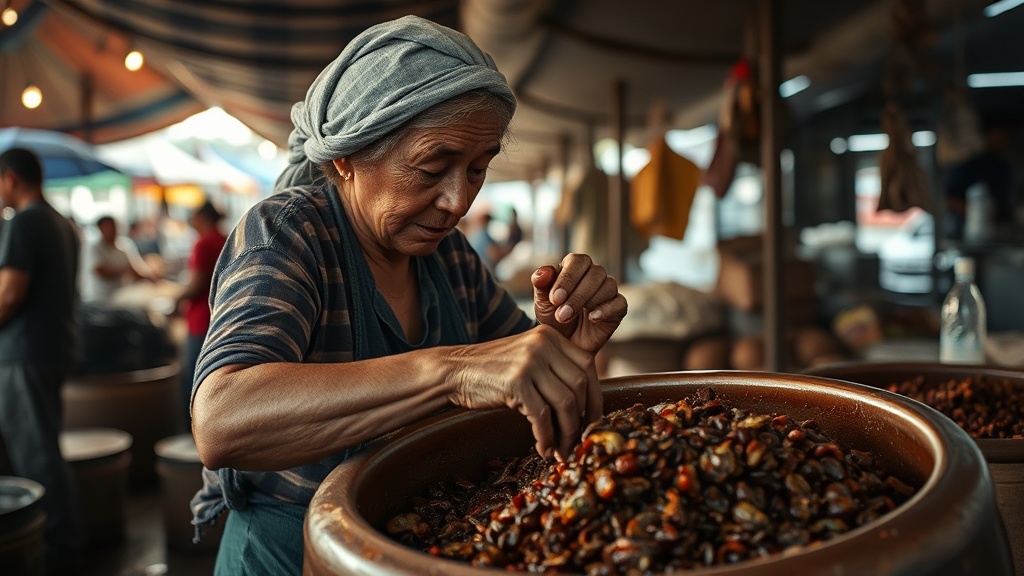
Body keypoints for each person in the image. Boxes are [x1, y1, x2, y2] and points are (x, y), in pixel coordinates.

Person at [188, 15, 627, 575]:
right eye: (432, 167)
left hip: (413, 545)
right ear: (346, 157)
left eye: (476, 170)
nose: (456, 201)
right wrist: (453, 371)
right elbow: (223, 419)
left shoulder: (450, 258)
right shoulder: (290, 234)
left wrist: (561, 344)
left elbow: (548, 413)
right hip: (287, 554)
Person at [0, 148, 83, 575]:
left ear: (11, 179)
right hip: (52, 348)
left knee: (37, 455)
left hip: (25, 352)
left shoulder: (25, 221)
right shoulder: (62, 223)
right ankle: (60, 542)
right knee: (45, 449)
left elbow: (9, 295)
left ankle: (58, 551)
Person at [175, 201, 227, 432]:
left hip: (200, 321)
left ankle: (195, 437)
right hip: (221, 318)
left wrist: (176, 299)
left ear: (202, 217)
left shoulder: (204, 243)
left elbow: (195, 285)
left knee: (194, 384)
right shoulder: (225, 238)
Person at [943, 120, 1015, 240]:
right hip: (964, 233)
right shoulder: (968, 165)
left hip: (996, 235)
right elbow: (949, 198)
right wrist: (977, 213)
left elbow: (1005, 206)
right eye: (998, 135)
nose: (1002, 140)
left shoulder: (1004, 168)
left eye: (1005, 136)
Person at [80, 214, 159, 303]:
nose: (112, 230)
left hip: (121, 296)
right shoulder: (93, 247)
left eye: (114, 226)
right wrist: (126, 270)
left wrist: (151, 275)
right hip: (98, 298)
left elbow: (137, 267)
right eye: (108, 227)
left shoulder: (125, 245)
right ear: (100, 228)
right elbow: (100, 271)